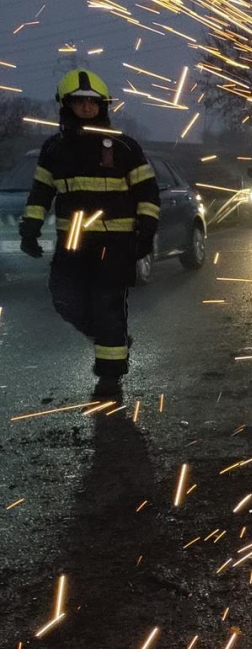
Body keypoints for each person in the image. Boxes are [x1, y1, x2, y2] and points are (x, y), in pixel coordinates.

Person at [17, 69, 159, 401]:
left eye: (92, 103)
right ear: (66, 105)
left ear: (104, 106)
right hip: (73, 243)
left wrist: (146, 233)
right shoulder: (53, 149)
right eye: (79, 102)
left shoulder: (123, 146)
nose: (86, 108)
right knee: (65, 300)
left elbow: (148, 194)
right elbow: (41, 194)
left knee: (107, 306)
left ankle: (109, 380)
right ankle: (113, 340)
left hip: (116, 244)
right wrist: (30, 229)